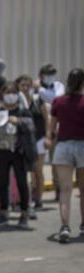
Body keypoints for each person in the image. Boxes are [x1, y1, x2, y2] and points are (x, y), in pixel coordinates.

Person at [0, 82, 35, 228]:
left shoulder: (22, 110)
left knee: (21, 182)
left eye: (13, 92)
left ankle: (24, 212)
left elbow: (31, 127)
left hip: (18, 151)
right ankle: (3, 212)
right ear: (2, 95)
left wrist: (19, 121)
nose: (10, 95)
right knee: (2, 182)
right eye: (7, 92)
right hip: (1, 150)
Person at [45, 68, 84, 243]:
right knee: (83, 191)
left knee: (65, 190)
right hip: (83, 145)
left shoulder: (58, 102)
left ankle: (65, 227)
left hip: (63, 146)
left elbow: (51, 128)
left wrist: (48, 139)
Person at [17, 74, 49, 218]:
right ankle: (25, 200)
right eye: (22, 85)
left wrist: (48, 137)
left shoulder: (37, 100)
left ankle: (39, 200)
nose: (25, 87)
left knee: (37, 170)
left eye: (28, 85)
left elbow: (47, 119)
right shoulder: (16, 101)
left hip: (39, 139)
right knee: (24, 172)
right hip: (23, 141)